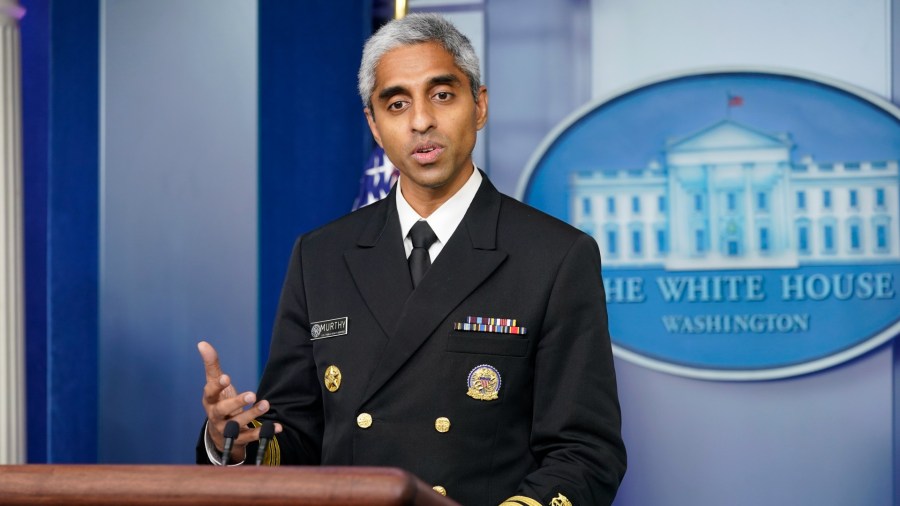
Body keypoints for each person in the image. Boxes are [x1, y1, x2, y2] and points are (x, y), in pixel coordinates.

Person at [197, 13, 626, 506]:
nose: (421, 120)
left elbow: (585, 453)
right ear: (374, 127)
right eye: (396, 103)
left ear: (480, 105)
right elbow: (295, 432)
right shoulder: (320, 255)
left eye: (442, 95)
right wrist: (234, 441)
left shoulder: (554, 256)